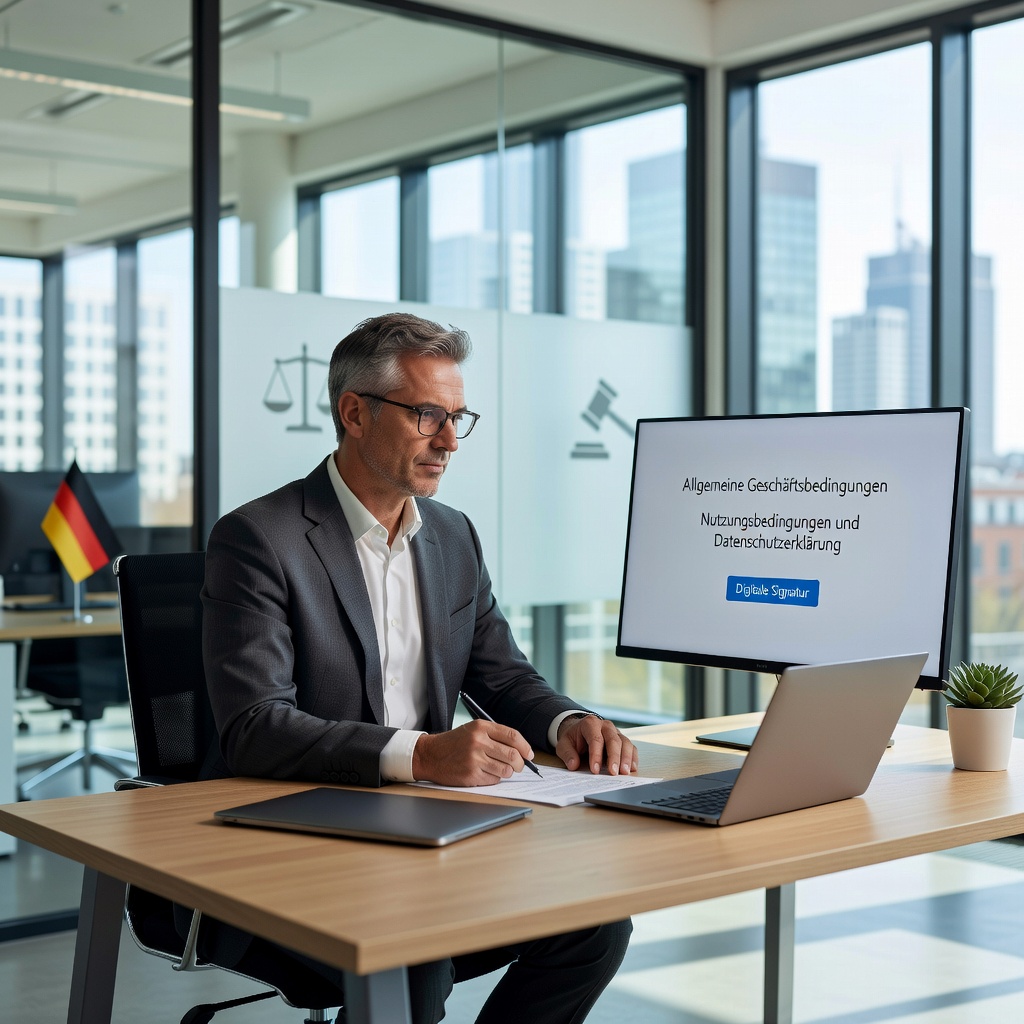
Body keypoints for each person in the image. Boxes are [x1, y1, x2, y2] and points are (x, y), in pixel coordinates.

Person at [201, 311, 637, 1024]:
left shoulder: (452, 536)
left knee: (594, 925)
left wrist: (569, 720)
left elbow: (502, 676)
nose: (448, 442)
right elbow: (255, 727)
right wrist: (426, 755)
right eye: (428, 415)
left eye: (458, 419)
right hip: (308, 831)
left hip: (433, 829)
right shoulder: (260, 538)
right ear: (354, 414)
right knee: (414, 956)